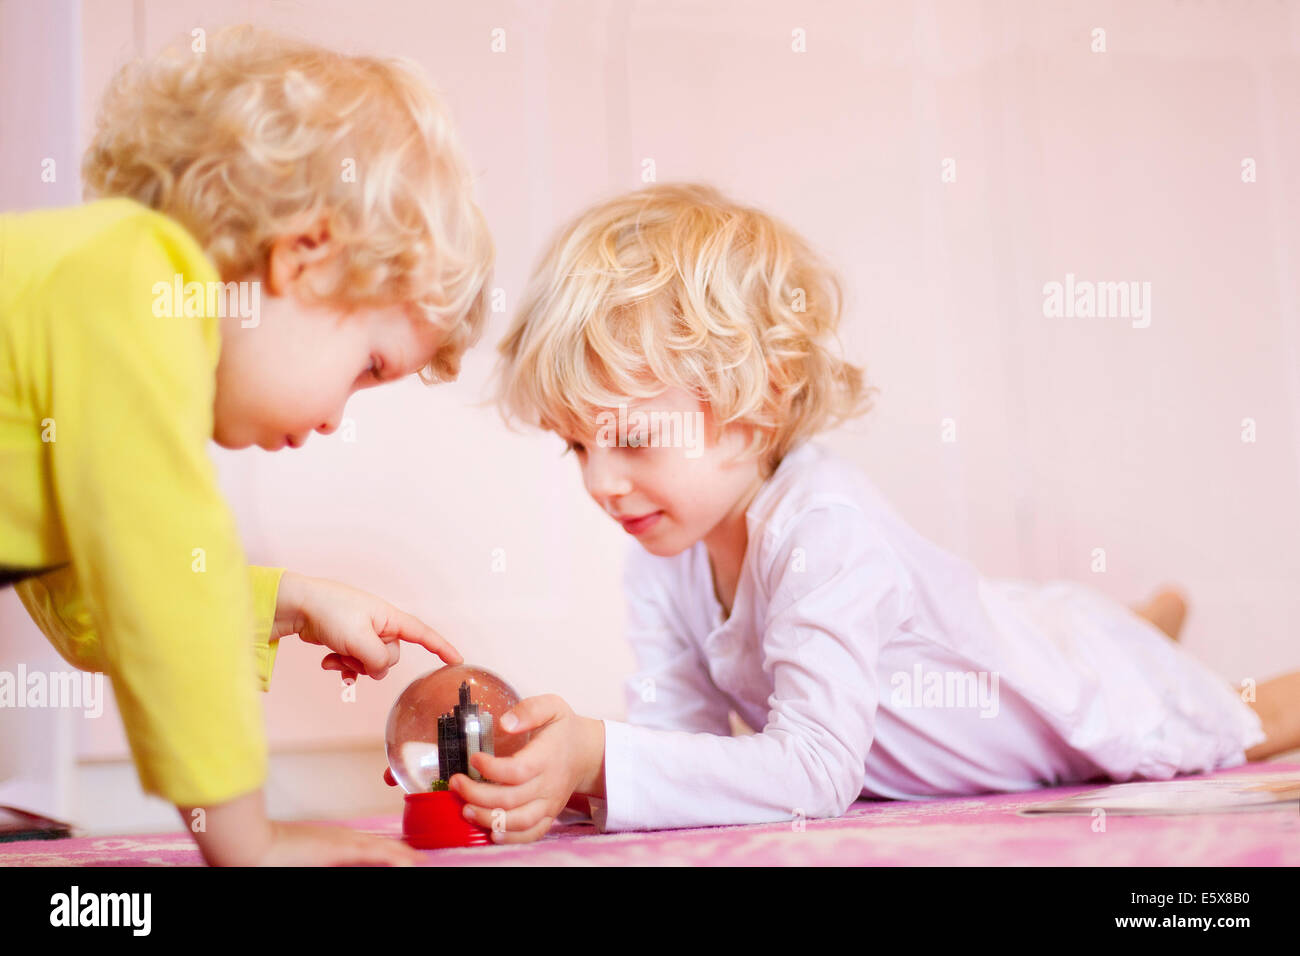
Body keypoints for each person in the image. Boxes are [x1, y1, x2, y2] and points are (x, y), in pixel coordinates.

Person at [459, 182, 1300, 841]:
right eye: (577, 447)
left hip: (1070, 689)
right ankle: (1138, 624)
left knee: (1224, 716)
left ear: (755, 408)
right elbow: (679, 739)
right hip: (1016, 633)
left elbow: (816, 772)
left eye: (633, 438)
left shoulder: (824, 530)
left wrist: (599, 754)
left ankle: (1137, 633)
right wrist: (570, 778)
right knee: (1067, 633)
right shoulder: (659, 551)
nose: (601, 483)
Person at [0, 26, 493, 864]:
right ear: (303, 255)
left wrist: (288, 602)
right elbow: (160, 583)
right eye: (368, 365)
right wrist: (245, 839)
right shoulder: (133, 284)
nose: (339, 416)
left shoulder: (104, 304)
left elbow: (94, 606)